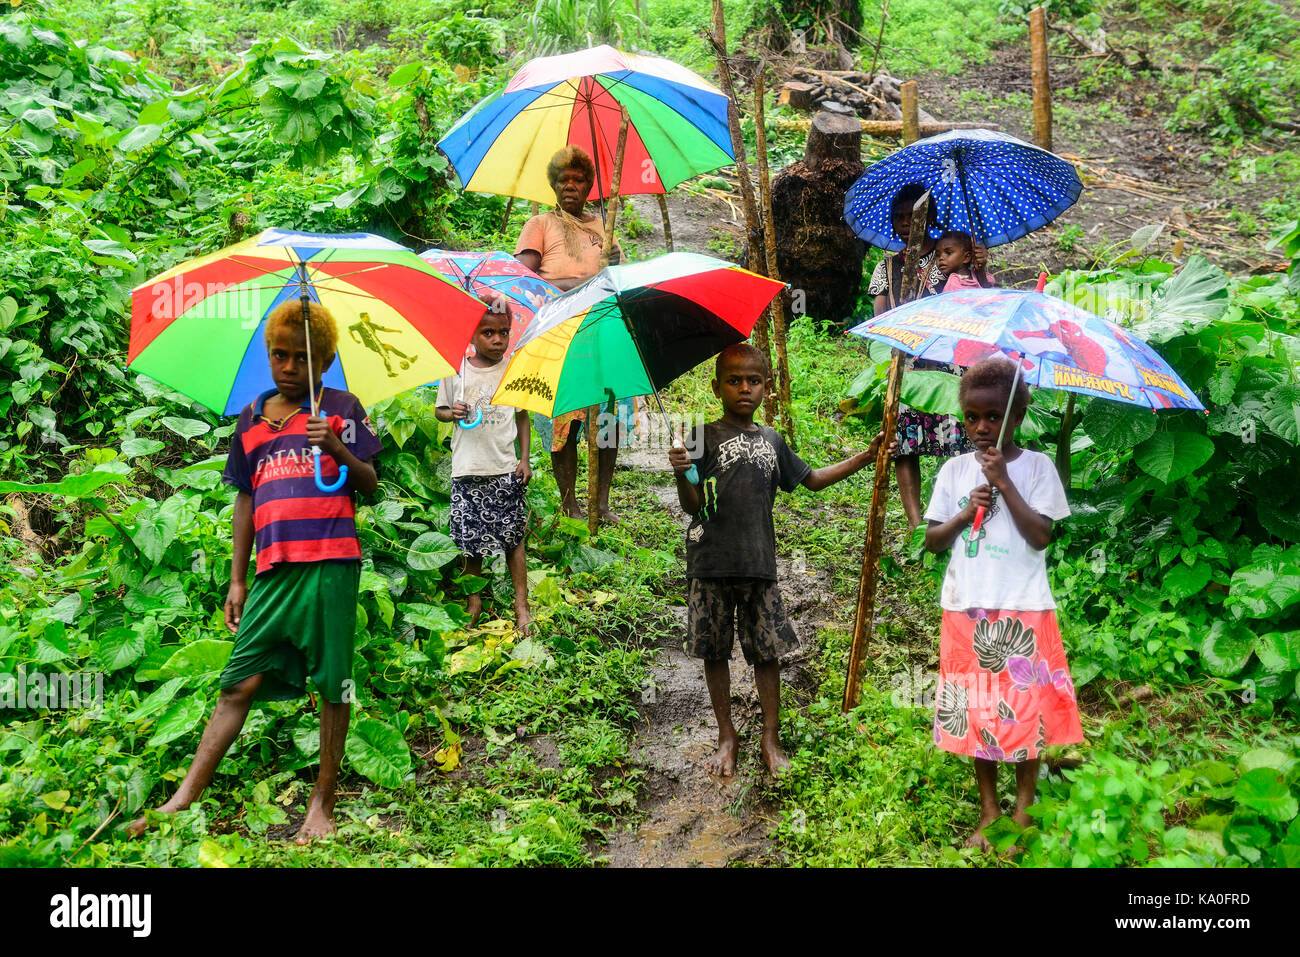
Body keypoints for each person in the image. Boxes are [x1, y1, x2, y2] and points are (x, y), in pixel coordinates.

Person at [128, 299, 381, 844]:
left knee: (333, 683)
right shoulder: (250, 419)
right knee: (237, 681)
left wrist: (336, 445)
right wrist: (238, 578)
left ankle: (323, 801)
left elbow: (371, 484)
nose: (288, 367)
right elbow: (246, 500)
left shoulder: (342, 407)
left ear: (325, 360)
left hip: (332, 565)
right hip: (272, 570)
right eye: (278, 355)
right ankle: (181, 799)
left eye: (300, 358)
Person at [668, 344, 890, 778]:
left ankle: (771, 737)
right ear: (716, 387)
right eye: (734, 381)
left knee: (767, 652)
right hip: (710, 563)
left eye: (753, 381)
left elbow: (812, 480)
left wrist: (865, 457)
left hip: (758, 564)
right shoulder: (700, 436)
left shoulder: (772, 439)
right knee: (715, 651)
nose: (744, 388)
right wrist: (681, 471)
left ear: (767, 388)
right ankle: (726, 735)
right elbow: (693, 506)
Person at [922, 357, 1081, 850]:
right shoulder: (953, 471)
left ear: (1017, 416)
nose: (982, 427)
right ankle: (990, 810)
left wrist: (1005, 484)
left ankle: (1024, 806)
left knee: (1025, 711)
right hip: (966, 607)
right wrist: (968, 508)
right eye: (972, 417)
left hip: (1024, 607)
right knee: (978, 712)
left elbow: (1040, 536)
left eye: (993, 416)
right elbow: (932, 541)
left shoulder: (1037, 468)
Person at [515, 145, 633, 525]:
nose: (570, 186)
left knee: (607, 417)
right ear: (553, 185)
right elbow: (524, 281)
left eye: (578, 180)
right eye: (563, 180)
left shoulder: (603, 227)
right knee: (565, 418)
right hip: (559, 334)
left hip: (601, 333)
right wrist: (585, 283)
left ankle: (601, 502)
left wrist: (611, 268)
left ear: (589, 186)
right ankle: (569, 502)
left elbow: (621, 285)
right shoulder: (540, 226)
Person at [868, 183, 988, 531]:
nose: (905, 224)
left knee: (961, 437)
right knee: (903, 441)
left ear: (929, 218)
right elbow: (878, 320)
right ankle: (915, 524)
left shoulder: (946, 256)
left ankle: (957, 513)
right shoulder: (886, 268)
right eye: (899, 217)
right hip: (907, 361)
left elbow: (974, 302)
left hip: (947, 360)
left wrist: (976, 267)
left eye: (913, 216)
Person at [434, 301, 532, 636]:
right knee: (470, 542)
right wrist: (453, 412)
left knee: (513, 539)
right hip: (467, 467)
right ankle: (473, 603)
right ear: (472, 334)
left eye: (503, 332)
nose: (497, 340)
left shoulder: (512, 370)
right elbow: (441, 412)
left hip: (504, 466)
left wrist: (524, 459)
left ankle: (522, 605)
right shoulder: (456, 370)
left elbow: (522, 415)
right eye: (487, 332)